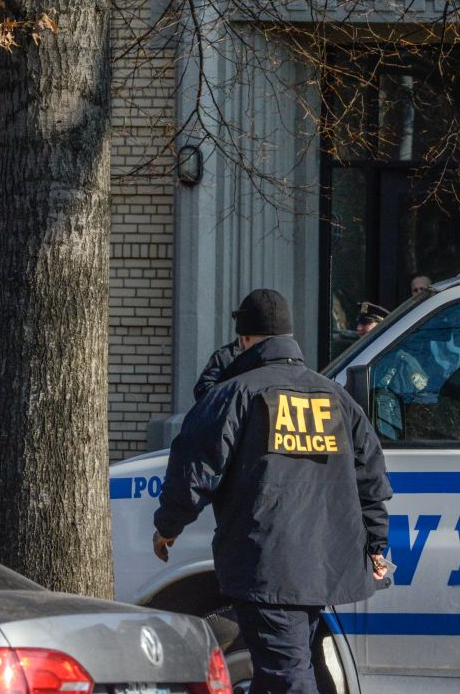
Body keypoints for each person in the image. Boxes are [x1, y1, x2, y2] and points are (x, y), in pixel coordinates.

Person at [153, 288, 393, 694]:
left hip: (265, 563)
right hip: (322, 563)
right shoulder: (334, 397)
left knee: (286, 676)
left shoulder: (235, 394)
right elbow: (370, 477)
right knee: (280, 667)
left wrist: (169, 526)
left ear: (245, 339)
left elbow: (194, 468)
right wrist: (375, 542)